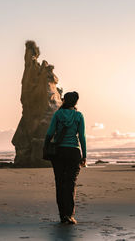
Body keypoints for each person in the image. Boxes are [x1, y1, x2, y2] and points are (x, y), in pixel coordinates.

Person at [45, 91, 87, 224]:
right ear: (75, 102)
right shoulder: (79, 116)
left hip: (59, 152)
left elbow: (50, 133)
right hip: (73, 152)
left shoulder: (58, 114)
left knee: (60, 183)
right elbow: (82, 137)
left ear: (64, 100)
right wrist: (84, 155)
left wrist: (46, 147)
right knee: (70, 184)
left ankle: (62, 215)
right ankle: (69, 215)